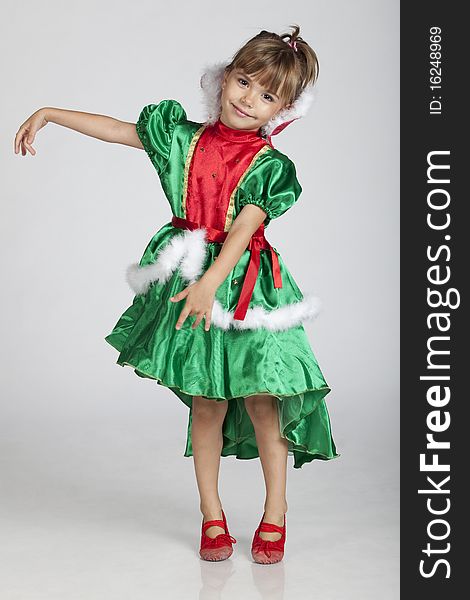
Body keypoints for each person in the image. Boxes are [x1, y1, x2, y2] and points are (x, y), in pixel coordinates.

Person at [14, 24, 339, 564]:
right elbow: (118, 129)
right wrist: (49, 112)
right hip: (189, 273)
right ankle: (212, 515)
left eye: (266, 96)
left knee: (264, 397)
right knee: (207, 399)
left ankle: (275, 511)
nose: (247, 99)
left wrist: (213, 283)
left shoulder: (271, 167)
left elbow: (243, 230)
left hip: (248, 289)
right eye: (242, 81)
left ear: (282, 110)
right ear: (224, 78)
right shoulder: (181, 139)